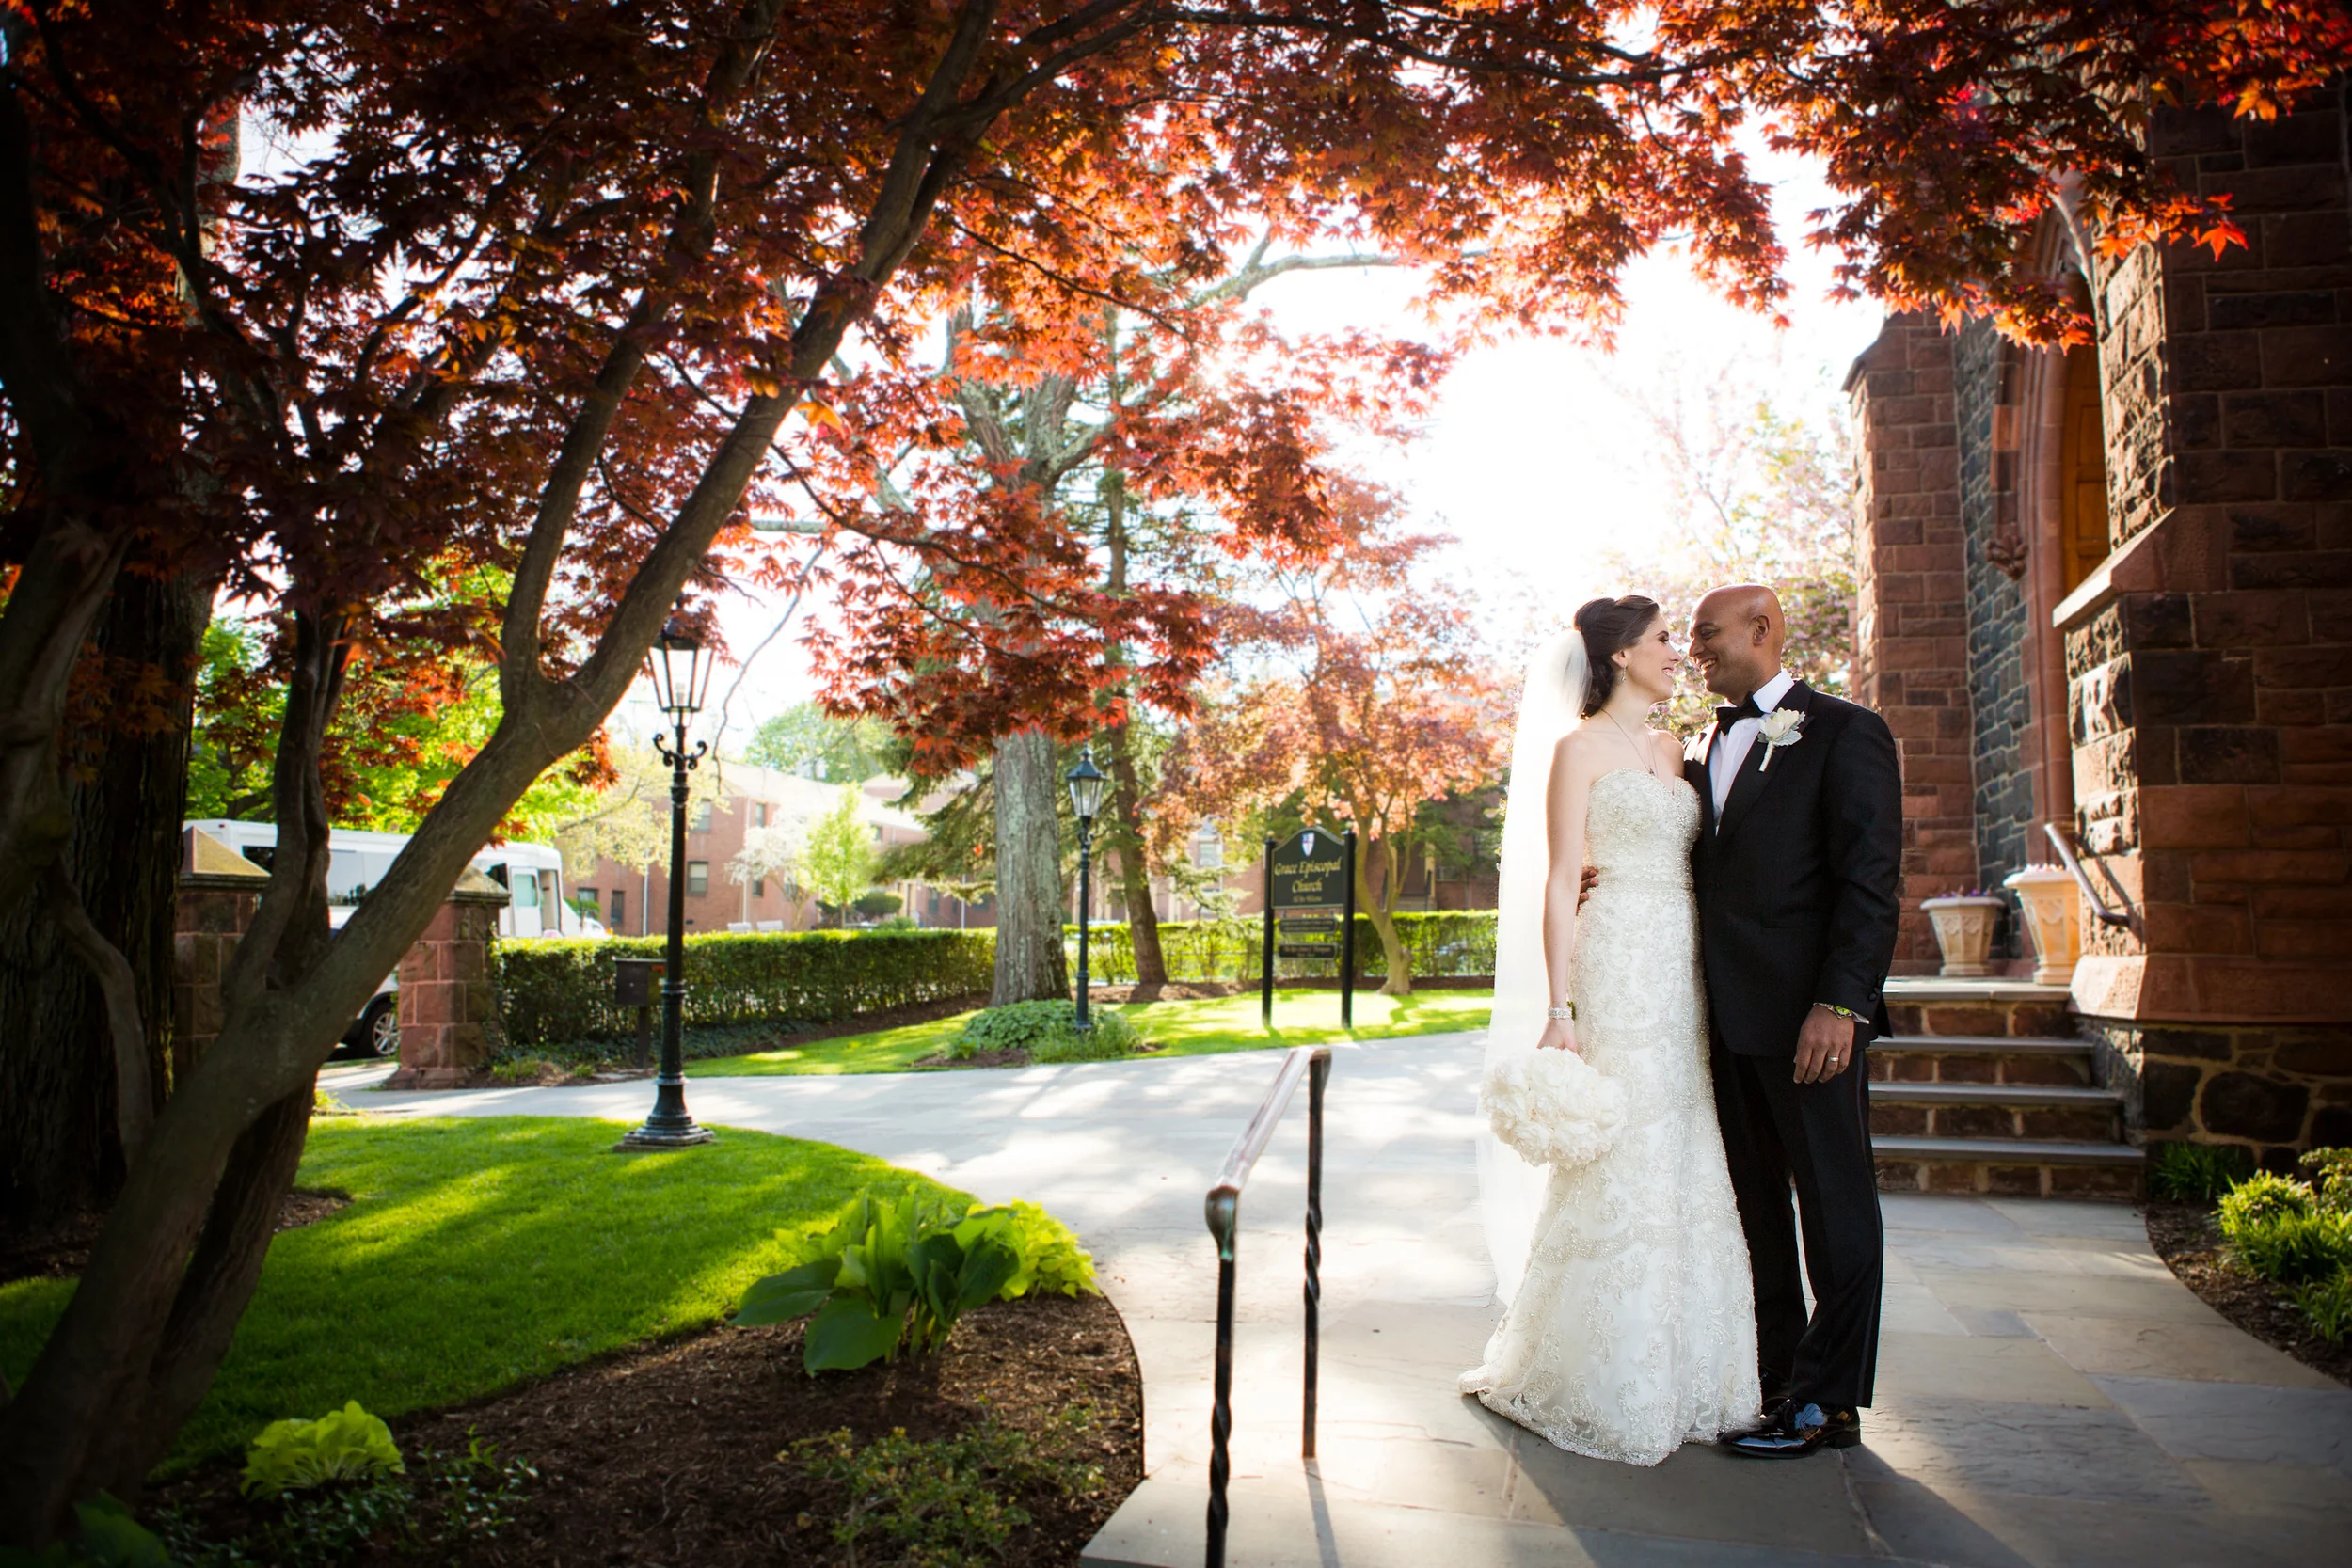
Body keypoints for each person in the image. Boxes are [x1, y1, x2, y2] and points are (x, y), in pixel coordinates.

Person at [1459, 594, 1760, 1466]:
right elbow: (1560, 881)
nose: (1679, 653)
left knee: (1685, 1141)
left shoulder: (1676, 749)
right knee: (1623, 1146)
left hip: (1683, 960)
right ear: (1622, 654)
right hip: (1618, 958)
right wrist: (1562, 1007)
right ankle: (1597, 1363)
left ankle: (1697, 1366)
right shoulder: (1575, 749)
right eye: (1666, 641)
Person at [1681, 583, 1901, 1458]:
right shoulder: (1701, 745)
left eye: (1708, 634)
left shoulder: (1847, 732)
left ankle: (1829, 1403)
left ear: (1762, 630)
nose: (1696, 650)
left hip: (1813, 1021)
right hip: (1723, 1023)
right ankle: (1780, 1381)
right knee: (1756, 1211)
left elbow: (1870, 881)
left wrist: (1840, 1003)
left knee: (1835, 1206)